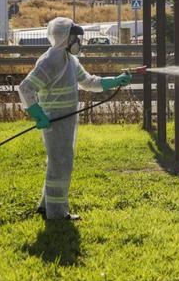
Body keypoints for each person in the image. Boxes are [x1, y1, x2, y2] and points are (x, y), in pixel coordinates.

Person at [18, 18, 131, 220]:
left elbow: (88, 81)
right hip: (54, 121)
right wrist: (38, 114)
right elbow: (26, 88)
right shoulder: (50, 61)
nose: (78, 41)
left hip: (65, 120)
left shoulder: (69, 59)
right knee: (61, 163)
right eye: (74, 37)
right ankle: (57, 213)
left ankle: (46, 205)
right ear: (64, 38)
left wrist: (114, 81)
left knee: (58, 162)